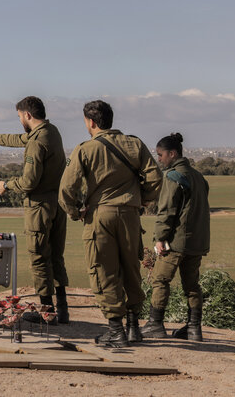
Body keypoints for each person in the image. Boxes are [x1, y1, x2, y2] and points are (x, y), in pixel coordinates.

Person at [58, 100, 162, 347]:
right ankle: (134, 326)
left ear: (91, 122)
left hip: (100, 216)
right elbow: (155, 178)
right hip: (130, 215)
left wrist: (76, 212)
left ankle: (116, 330)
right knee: (131, 268)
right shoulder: (135, 144)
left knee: (103, 271)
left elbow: (66, 189)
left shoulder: (85, 149)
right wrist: (142, 200)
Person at [0, 96, 70, 323]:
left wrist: (6, 185)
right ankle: (63, 309)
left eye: (19, 116)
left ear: (27, 115)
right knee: (56, 257)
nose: (19, 120)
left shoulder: (36, 142)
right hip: (58, 203)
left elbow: (29, 182)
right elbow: (18, 139)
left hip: (39, 207)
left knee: (39, 257)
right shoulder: (51, 132)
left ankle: (47, 312)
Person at [142, 133, 210, 342]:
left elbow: (167, 211)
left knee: (160, 279)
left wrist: (160, 238)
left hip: (176, 241)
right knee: (192, 285)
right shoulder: (199, 177)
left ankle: (155, 324)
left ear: (172, 154)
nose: (159, 159)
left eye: (161, 155)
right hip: (197, 241)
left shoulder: (173, 176)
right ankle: (194, 329)